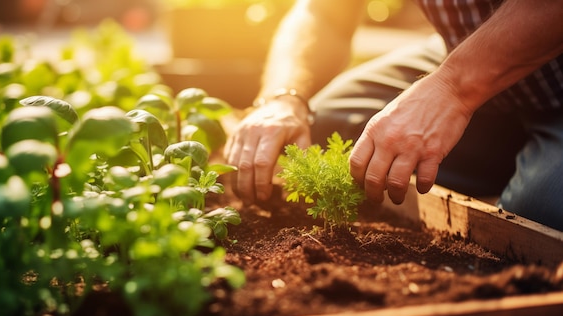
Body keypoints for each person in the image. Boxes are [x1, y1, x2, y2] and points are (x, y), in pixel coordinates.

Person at [224, 0, 563, 231]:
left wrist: (451, 88)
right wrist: (284, 96)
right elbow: (324, 14)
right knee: (326, 130)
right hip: (469, 52)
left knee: (536, 219)